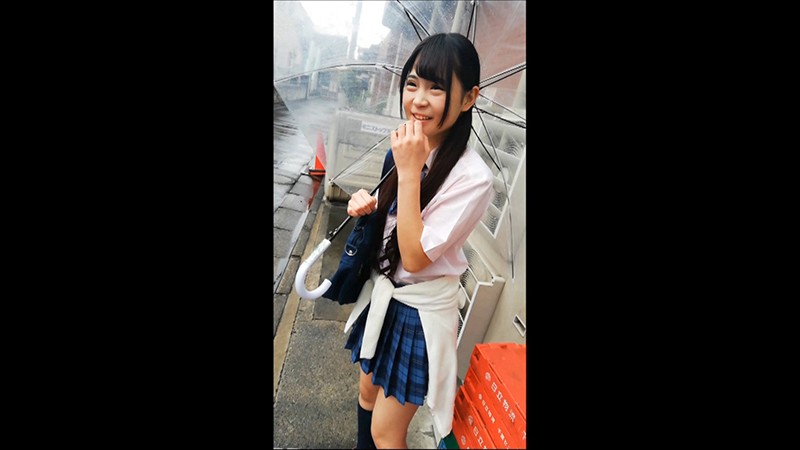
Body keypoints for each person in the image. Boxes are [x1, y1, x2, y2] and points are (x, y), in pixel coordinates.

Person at [343, 33, 495, 449]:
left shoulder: (473, 178)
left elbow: (414, 255)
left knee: (386, 432)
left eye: (437, 88)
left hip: (418, 311)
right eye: (412, 84)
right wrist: (368, 205)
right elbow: (395, 216)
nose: (419, 100)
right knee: (366, 393)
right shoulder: (406, 147)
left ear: (469, 98)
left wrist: (410, 171)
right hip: (384, 292)